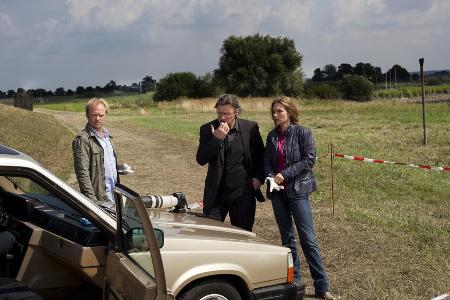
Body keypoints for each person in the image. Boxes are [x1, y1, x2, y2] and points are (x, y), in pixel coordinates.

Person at [264, 96, 335, 300]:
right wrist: (270, 176)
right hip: (278, 193)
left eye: (279, 111)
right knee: (287, 239)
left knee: (307, 239)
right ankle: (295, 283)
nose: (276, 115)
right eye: (274, 112)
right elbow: (267, 161)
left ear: (289, 112)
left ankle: (322, 286)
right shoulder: (271, 136)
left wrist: (284, 174)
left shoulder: (303, 132)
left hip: (298, 191)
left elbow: (309, 160)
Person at [196, 94, 265, 231]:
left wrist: (259, 178)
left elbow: (261, 156)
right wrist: (216, 139)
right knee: (209, 233)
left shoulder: (250, 128)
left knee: (242, 234)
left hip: (242, 192)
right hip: (216, 193)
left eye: (227, 114)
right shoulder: (207, 129)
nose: (222, 118)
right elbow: (201, 160)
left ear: (237, 111)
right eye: (220, 113)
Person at [72, 98, 120, 204]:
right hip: (99, 201)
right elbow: (82, 173)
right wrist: (92, 203)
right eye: (94, 115)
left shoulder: (107, 137)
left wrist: (119, 168)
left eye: (101, 115)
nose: (98, 118)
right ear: (87, 115)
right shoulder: (83, 139)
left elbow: (103, 164)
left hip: (113, 197)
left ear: (105, 115)